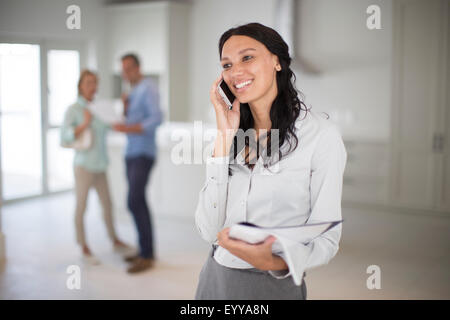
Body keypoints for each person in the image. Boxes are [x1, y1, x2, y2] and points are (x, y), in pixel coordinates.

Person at [194, 23, 347, 299]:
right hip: (215, 278)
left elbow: (327, 239)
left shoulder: (321, 136)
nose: (235, 71)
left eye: (247, 57)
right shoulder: (228, 135)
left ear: (277, 61)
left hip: (273, 284)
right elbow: (209, 230)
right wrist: (223, 137)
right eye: (227, 65)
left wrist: (273, 262)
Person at [61, 69, 129, 265]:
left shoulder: (99, 108)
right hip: (83, 167)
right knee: (81, 207)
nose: (93, 87)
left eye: (95, 82)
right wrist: (83, 124)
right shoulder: (74, 109)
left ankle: (115, 240)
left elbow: (114, 125)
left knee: (107, 205)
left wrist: (122, 108)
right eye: (89, 82)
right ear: (81, 86)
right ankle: (83, 245)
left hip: (101, 165)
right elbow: (64, 137)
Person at [113, 54, 163, 274]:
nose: (126, 73)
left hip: (143, 152)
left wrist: (128, 129)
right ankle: (145, 252)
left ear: (138, 67)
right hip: (131, 152)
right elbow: (130, 119)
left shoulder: (148, 87)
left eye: (128, 68)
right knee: (137, 201)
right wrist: (125, 107)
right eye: (123, 70)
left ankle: (147, 254)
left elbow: (157, 119)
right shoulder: (133, 91)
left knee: (134, 200)